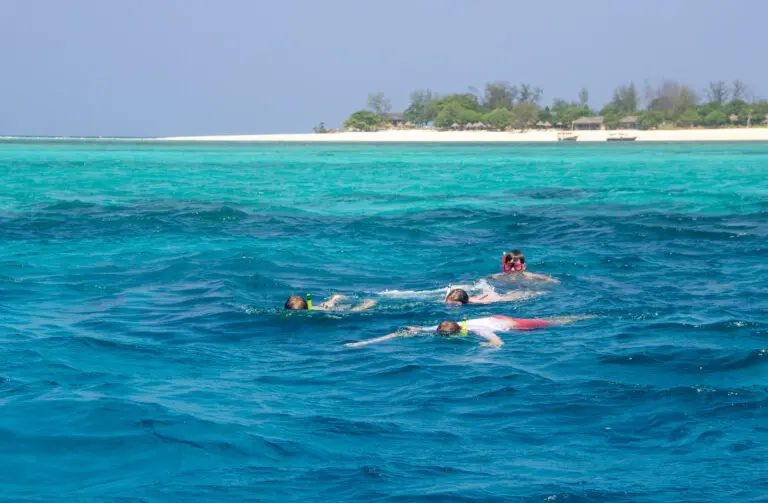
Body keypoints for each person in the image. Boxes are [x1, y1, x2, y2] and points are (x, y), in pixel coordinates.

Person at [345, 314, 593, 348]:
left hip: (513, 324)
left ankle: (586, 317)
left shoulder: (476, 329)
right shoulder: (441, 326)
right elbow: (407, 331)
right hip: (498, 318)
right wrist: (364, 343)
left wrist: (485, 350)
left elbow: (498, 342)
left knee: (558, 322)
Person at [492, 250, 559, 283]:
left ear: (524, 266)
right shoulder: (496, 277)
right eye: (509, 266)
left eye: (516, 266)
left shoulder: (529, 276)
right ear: (504, 266)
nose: (512, 269)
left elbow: (549, 279)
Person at [444, 287, 538, 305]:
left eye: (453, 305)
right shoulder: (450, 300)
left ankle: (535, 291)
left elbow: (487, 302)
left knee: (515, 297)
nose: (450, 306)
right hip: (483, 295)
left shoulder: (471, 302)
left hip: (495, 298)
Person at [284, 294, 376, 312]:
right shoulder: (309, 308)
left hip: (329, 310)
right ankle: (333, 299)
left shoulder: (315, 309)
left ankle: (333, 299)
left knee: (354, 311)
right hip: (316, 308)